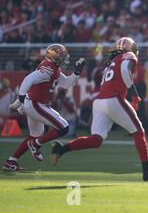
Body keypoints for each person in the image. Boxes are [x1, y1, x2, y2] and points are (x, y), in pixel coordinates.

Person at [51, 37, 148, 182]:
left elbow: (122, 74)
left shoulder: (111, 61)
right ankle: (146, 172)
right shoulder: (128, 56)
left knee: (96, 140)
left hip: (99, 102)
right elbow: (125, 71)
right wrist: (133, 93)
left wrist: (132, 93)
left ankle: (62, 149)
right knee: (139, 132)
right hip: (114, 99)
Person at [3, 44, 86, 172]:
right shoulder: (48, 69)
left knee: (34, 136)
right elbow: (28, 79)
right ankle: (35, 145)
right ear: (54, 56)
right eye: (62, 56)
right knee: (64, 127)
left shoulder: (53, 68)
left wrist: (76, 73)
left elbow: (66, 83)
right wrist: (21, 98)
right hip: (36, 104)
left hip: (35, 103)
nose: (64, 59)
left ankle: (11, 162)